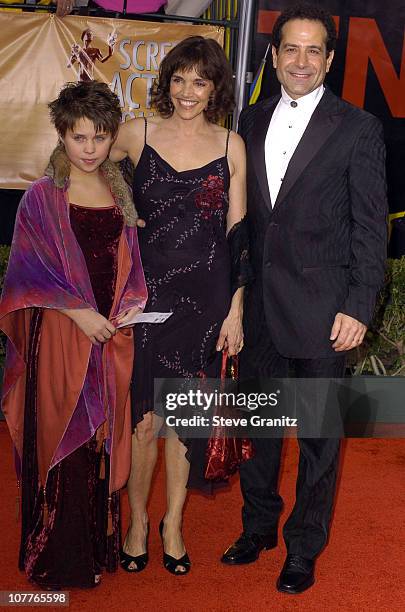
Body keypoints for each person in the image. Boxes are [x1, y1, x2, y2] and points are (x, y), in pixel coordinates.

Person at [221, 3, 388, 594]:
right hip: (262, 308)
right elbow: (242, 220)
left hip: (324, 311)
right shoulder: (251, 117)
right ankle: (258, 526)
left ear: (330, 59)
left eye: (313, 50)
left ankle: (303, 547)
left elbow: (372, 230)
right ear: (273, 54)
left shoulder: (358, 128)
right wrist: (235, 297)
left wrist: (358, 306)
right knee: (260, 430)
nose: (300, 60)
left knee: (319, 440)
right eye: (290, 48)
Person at [110, 35, 250, 575]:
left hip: (209, 298)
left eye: (200, 81)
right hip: (150, 297)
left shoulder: (229, 144)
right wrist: (119, 213)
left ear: (215, 88)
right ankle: (137, 522)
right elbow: (79, 160)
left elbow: (238, 234)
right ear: (166, 82)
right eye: (179, 79)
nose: (188, 92)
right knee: (146, 419)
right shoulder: (137, 133)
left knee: (183, 417)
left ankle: (171, 523)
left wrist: (236, 311)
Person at [0, 81, 147, 589]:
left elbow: (129, 268)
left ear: (113, 138)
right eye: (79, 137)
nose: (89, 149)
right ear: (61, 134)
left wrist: (128, 308)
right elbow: (24, 273)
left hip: (106, 338)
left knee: (99, 444)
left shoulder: (119, 192)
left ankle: (91, 550)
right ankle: (55, 557)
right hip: (60, 339)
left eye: (100, 138)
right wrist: (80, 312)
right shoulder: (42, 197)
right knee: (64, 439)